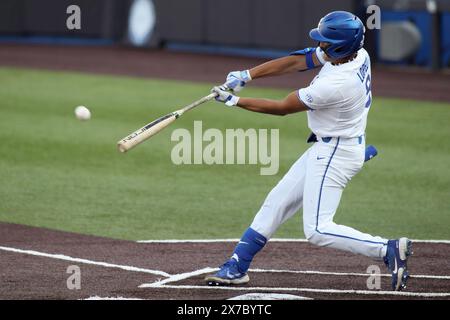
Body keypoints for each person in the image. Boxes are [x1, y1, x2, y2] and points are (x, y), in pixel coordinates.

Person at [204, 11, 412, 291]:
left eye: (326, 42)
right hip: (332, 145)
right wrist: (248, 74)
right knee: (276, 203)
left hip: (335, 153)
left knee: (317, 230)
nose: (321, 46)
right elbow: (301, 60)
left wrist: (234, 100)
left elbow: (282, 108)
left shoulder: (336, 85)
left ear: (340, 46)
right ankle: (236, 267)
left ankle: (387, 249)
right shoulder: (358, 53)